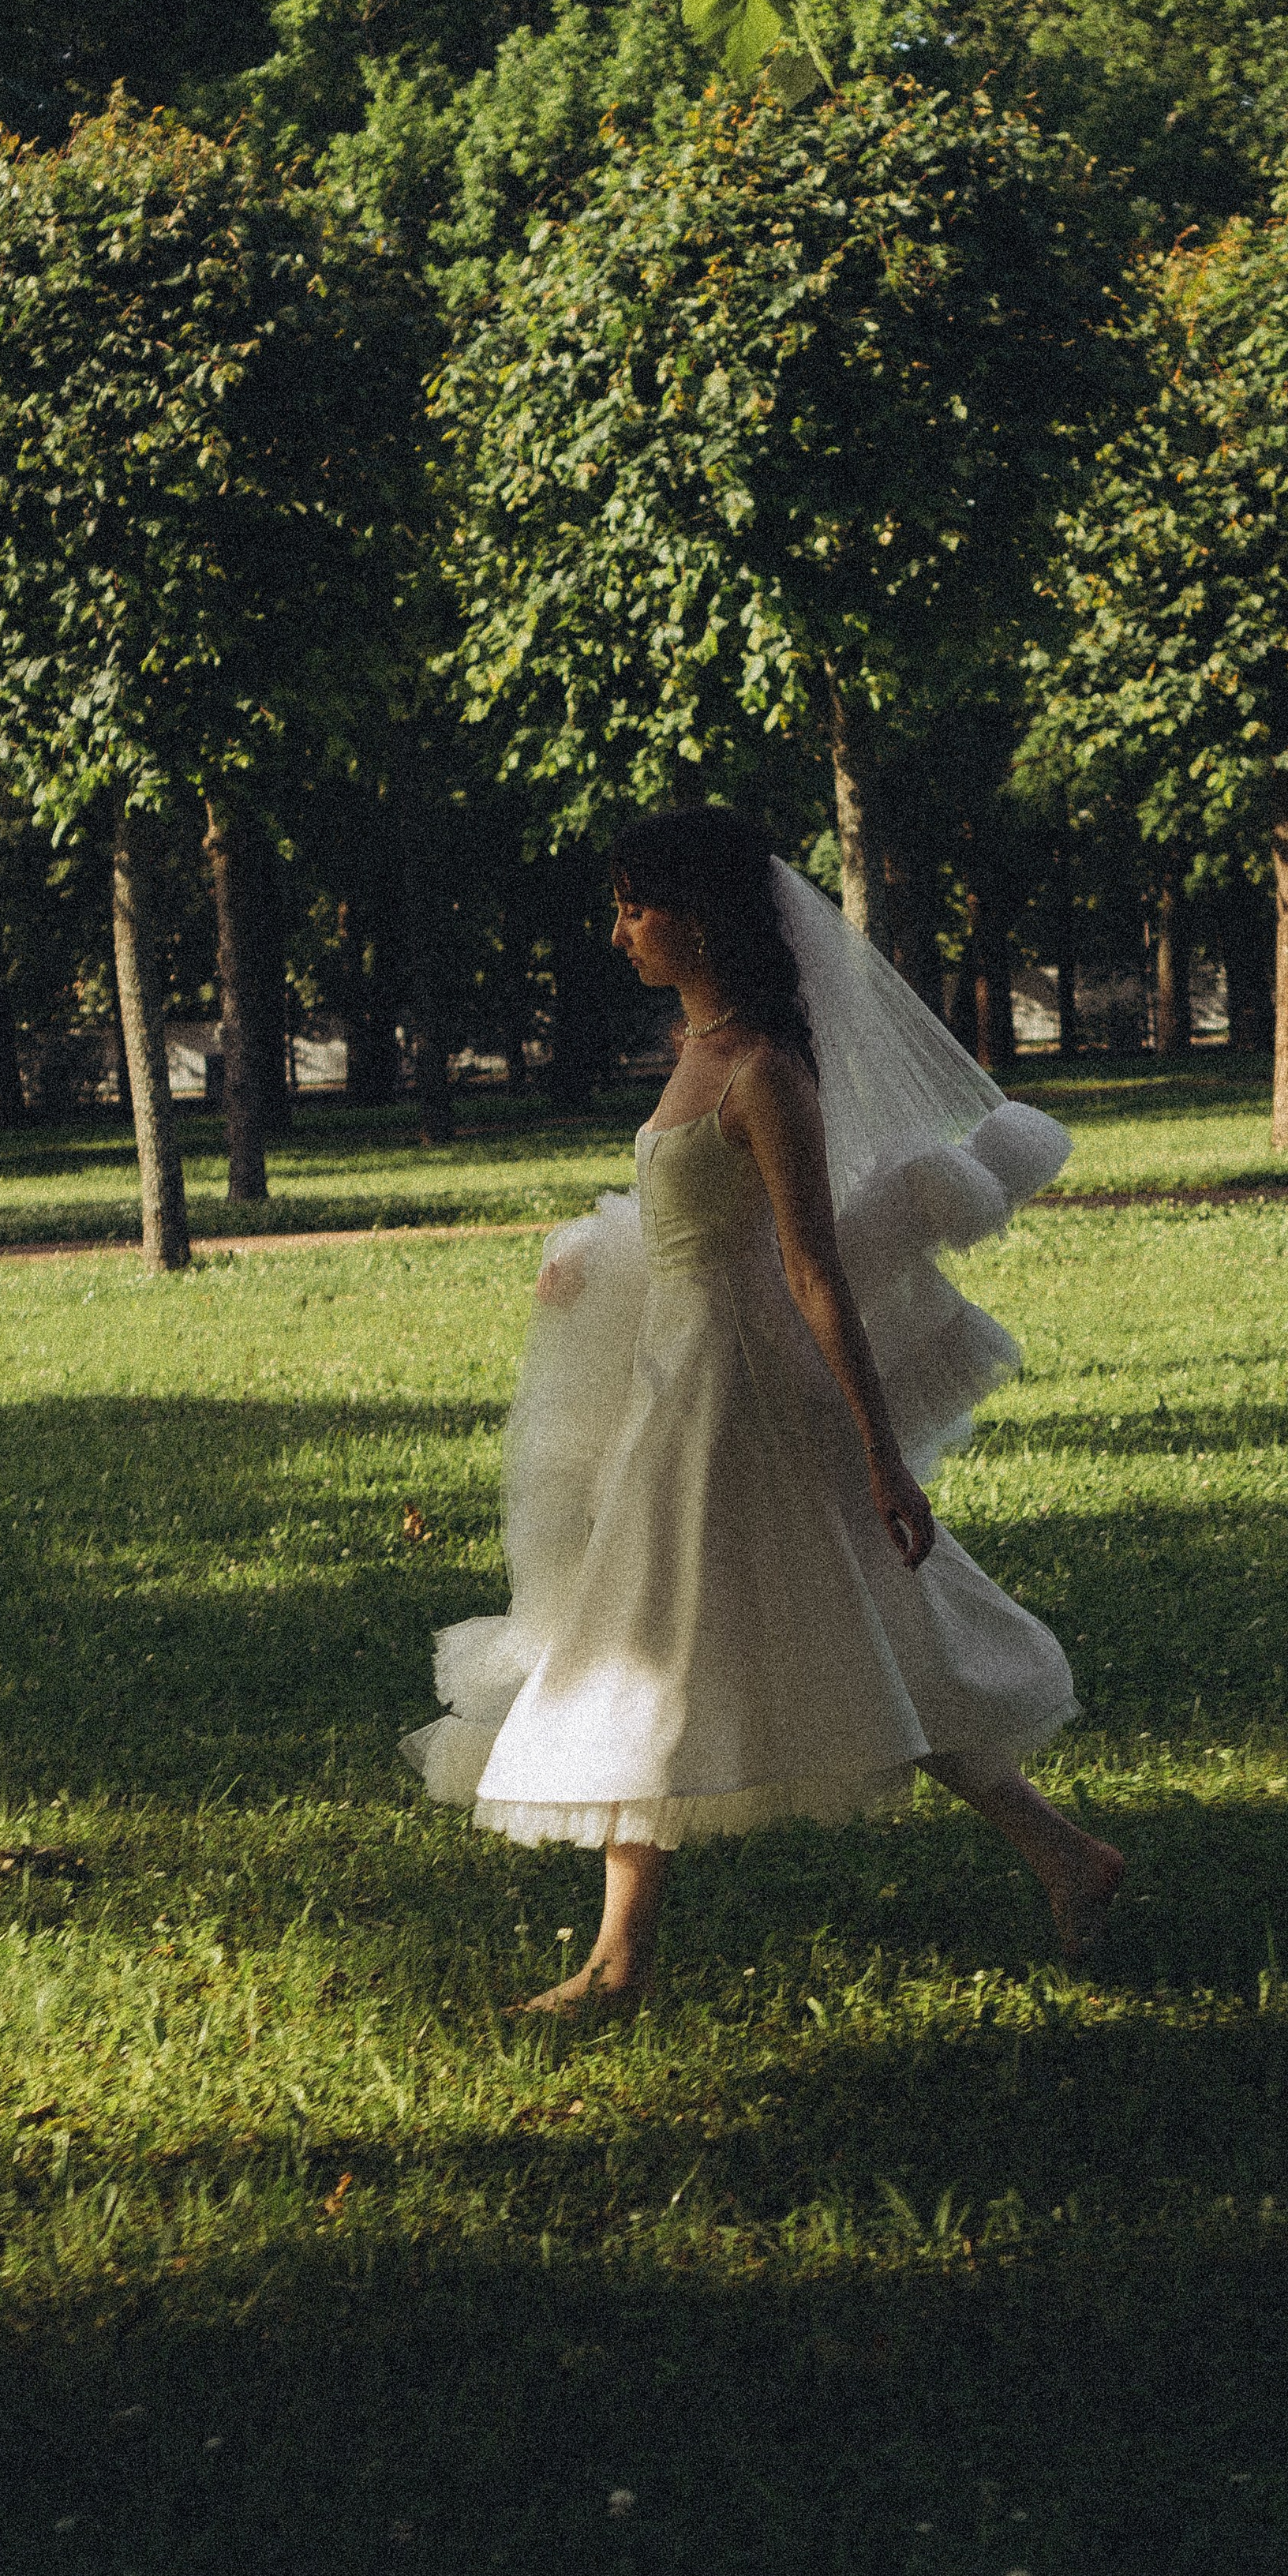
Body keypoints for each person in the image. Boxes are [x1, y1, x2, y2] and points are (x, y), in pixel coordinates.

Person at [404, 808, 1123, 2009]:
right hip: (677, 1389)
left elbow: (808, 1271)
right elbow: (691, 1232)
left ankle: (621, 1963)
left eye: (640, 904)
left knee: (656, 1641)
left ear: (705, 915)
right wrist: (594, 1254)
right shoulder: (699, 1054)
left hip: (736, 1407)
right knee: (801, 1643)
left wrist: (882, 1457)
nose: (621, 928)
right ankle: (1062, 1853)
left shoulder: (763, 1073)